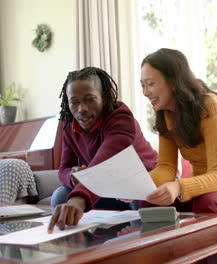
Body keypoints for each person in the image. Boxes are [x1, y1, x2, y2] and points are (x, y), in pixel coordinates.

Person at [140, 48, 217, 225]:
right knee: (149, 201)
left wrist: (179, 186)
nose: (145, 92)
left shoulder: (211, 106)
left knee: (207, 204)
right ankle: (162, 252)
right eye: (143, 85)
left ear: (173, 82)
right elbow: (166, 168)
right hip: (206, 189)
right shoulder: (165, 114)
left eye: (150, 84)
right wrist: (138, 188)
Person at [48, 67, 157, 233]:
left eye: (90, 99)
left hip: (141, 185)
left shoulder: (121, 117)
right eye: (74, 102)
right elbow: (63, 169)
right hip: (105, 190)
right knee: (60, 196)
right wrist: (72, 177)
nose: (81, 108)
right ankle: (83, 247)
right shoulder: (69, 126)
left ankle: (139, 244)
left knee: (140, 199)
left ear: (104, 98)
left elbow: (105, 164)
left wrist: (79, 197)